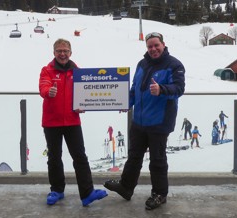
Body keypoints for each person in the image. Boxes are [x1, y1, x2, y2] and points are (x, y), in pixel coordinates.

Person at [104, 32, 185, 210]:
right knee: (133, 157)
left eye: (156, 45)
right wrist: (127, 102)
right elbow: (135, 89)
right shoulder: (142, 64)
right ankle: (126, 187)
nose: (153, 49)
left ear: (163, 45)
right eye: (150, 46)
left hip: (159, 121)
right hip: (139, 121)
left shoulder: (174, 65)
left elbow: (179, 88)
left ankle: (160, 194)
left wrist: (161, 89)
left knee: (157, 160)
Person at [39, 38, 107, 207]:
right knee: (54, 157)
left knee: (80, 157)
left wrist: (82, 105)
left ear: (70, 53)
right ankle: (57, 190)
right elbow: (43, 87)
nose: (62, 54)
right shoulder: (47, 70)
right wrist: (49, 91)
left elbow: (85, 93)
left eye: (65, 51)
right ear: (54, 53)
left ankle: (87, 193)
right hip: (52, 121)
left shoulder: (78, 72)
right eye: (59, 51)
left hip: (72, 121)